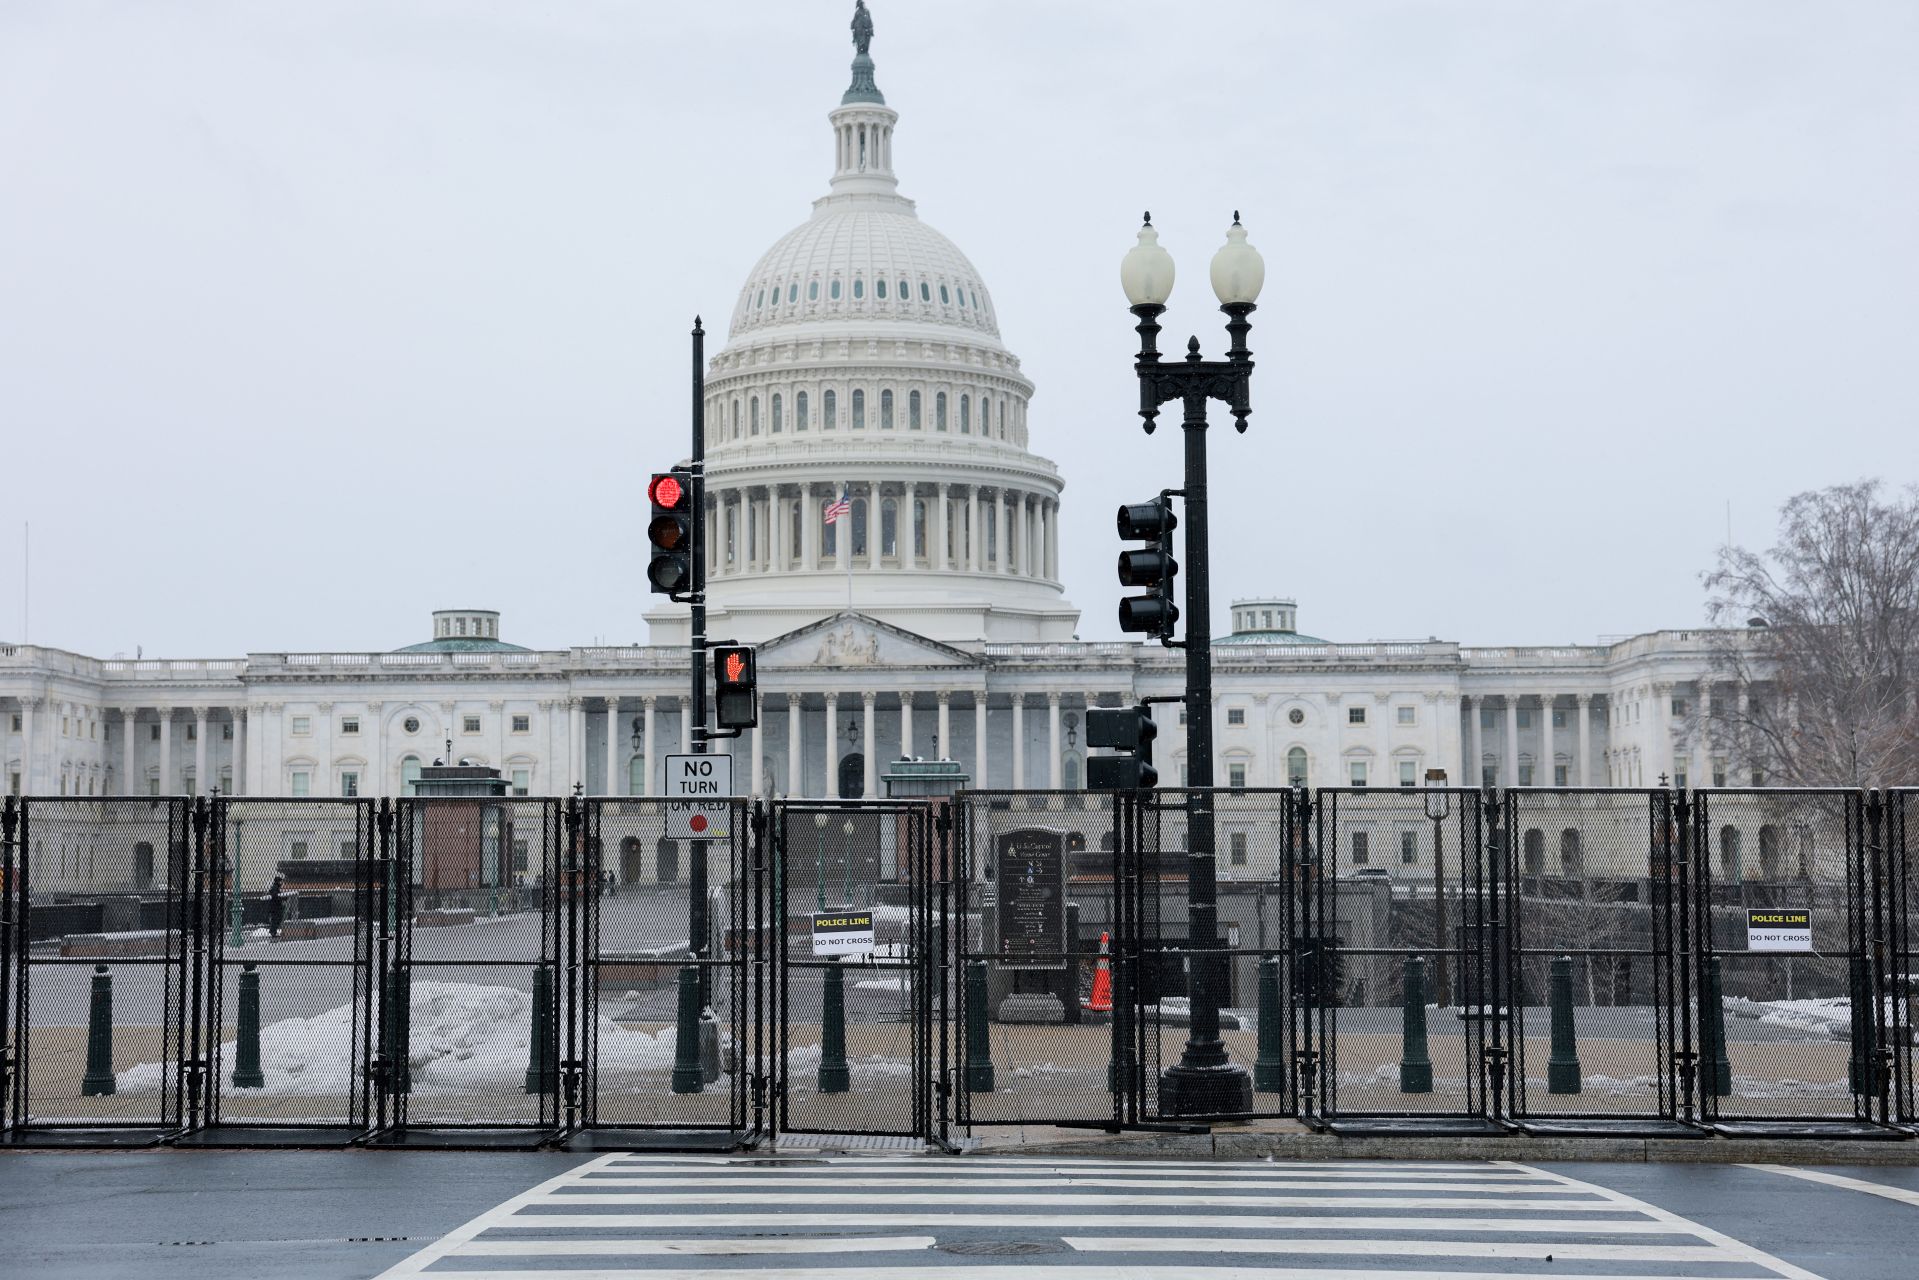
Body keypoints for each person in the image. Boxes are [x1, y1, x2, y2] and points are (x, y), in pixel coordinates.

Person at [267, 875, 285, 940]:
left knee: (276, 919)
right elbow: (276, 896)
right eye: (280, 881)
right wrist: (282, 898)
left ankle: (273, 931)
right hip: (275, 907)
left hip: (274, 907)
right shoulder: (275, 888)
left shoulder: (275, 887)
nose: (281, 883)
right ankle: (273, 932)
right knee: (276, 919)